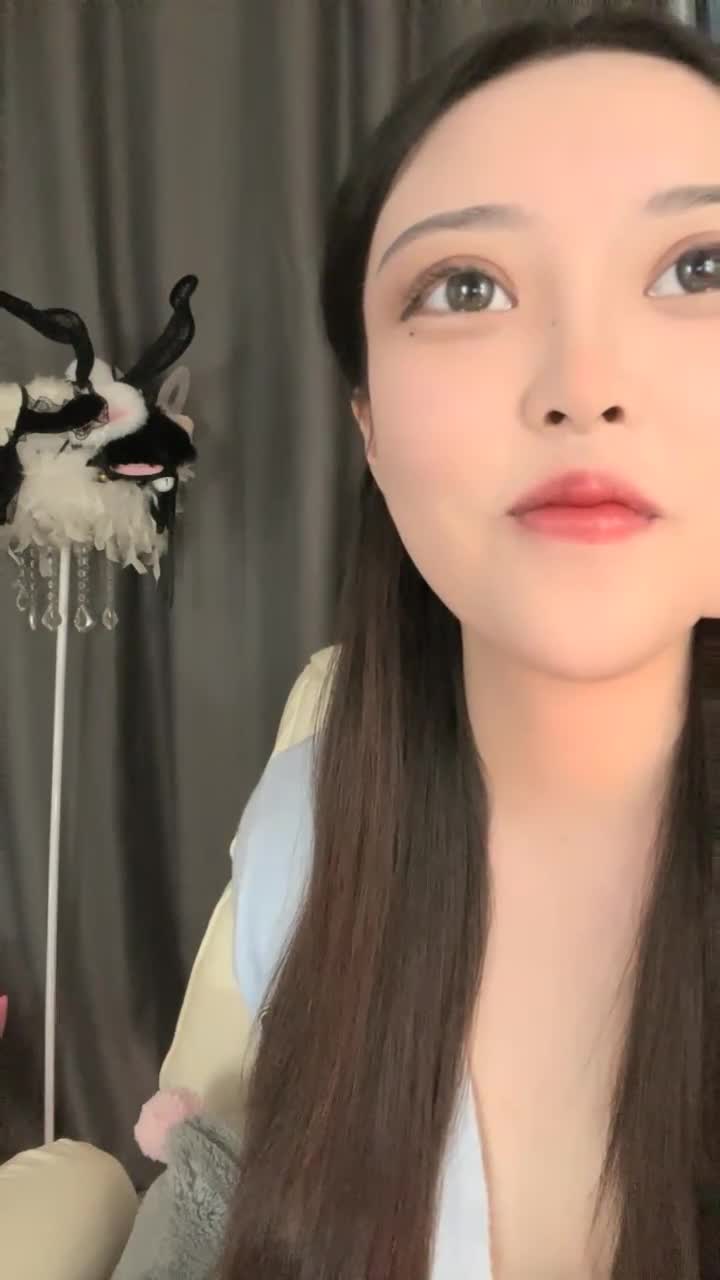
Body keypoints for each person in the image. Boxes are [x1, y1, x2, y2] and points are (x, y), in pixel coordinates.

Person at [110, 9, 720, 1280]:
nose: (583, 385)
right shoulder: (306, 834)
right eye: (466, 288)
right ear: (370, 431)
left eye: (699, 268)